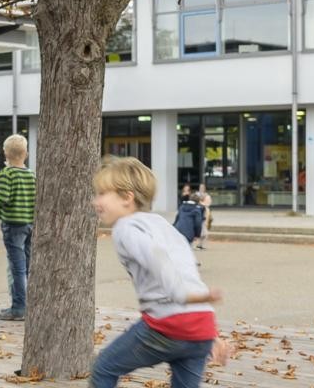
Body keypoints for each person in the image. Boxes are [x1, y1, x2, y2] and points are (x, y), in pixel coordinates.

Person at [89, 157, 230, 388]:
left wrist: (181, 294)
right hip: (201, 326)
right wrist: (211, 333)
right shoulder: (162, 226)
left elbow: (157, 258)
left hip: (167, 324)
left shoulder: (125, 227)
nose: (95, 201)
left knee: (104, 367)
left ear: (127, 198)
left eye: (102, 193)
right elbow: (187, 271)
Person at [0, 135, 37, 322]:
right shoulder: (32, 174)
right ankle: (27, 304)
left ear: (5, 154)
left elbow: (4, 198)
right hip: (29, 224)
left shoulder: (7, 173)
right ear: (26, 154)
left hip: (13, 225)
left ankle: (19, 307)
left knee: (16, 267)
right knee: (26, 266)